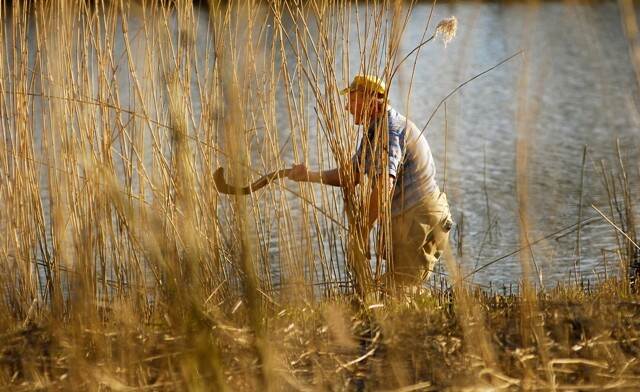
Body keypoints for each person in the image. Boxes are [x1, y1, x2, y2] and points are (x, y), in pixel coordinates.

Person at [287, 74, 452, 296]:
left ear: (370, 100)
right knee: (395, 287)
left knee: (402, 289)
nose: (347, 107)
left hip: (420, 216)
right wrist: (308, 175)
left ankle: (423, 323)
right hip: (411, 215)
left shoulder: (389, 131)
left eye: (352, 99)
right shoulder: (374, 132)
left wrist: (363, 229)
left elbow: (384, 185)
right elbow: (351, 176)